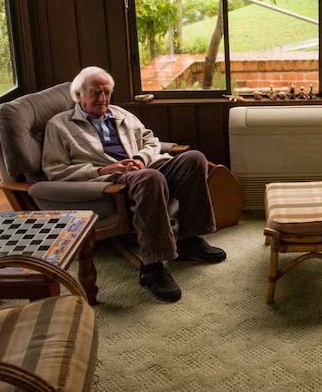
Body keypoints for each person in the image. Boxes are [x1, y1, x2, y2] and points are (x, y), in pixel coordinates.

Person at [42, 66, 226, 302]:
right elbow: (55, 171)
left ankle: (189, 241)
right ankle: (152, 266)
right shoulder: (59, 126)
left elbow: (151, 141)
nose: (103, 98)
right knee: (151, 178)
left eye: (107, 92)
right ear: (78, 95)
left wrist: (140, 159)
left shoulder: (120, 114)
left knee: (194, 159)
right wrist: (103, 169)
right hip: (109, 180)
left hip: (142, 168)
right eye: (95, 92)